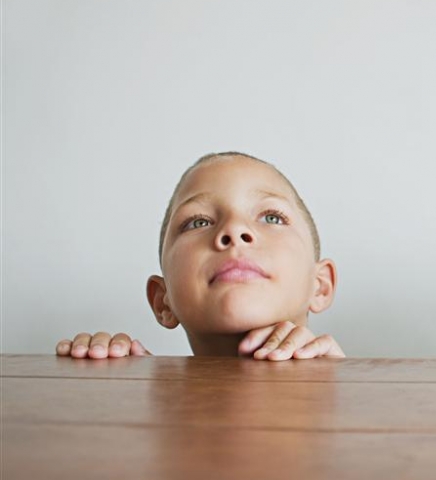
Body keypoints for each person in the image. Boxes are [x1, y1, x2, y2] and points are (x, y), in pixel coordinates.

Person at [56, 152, 344, 361]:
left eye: (271, 217)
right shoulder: (140, 395)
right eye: (198, 222)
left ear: (320, 285)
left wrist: (342, 387)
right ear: (162, 301)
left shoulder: (346, 397)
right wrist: (104, 376)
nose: (234, 230)